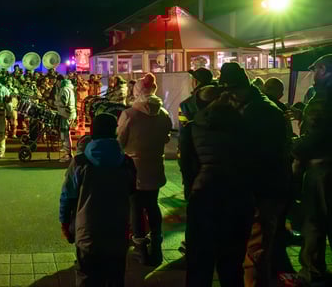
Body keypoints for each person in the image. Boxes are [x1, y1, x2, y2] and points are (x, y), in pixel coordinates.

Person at [218, 62, 292, 287]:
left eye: (230, 92)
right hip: (258, 188)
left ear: (236, 89)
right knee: (253, 251)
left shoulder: (259, 112)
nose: (228, 98)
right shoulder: (258, 107)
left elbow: (262, 156)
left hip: (260, 190)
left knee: (256, 251)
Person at [179, 86, 254, 287]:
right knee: (232, 262)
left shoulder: (194, 127)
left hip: (204, 193)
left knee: (199, 261)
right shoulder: (244, 125)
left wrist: (192, 190)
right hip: (238, 195)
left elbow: (187, 166)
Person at [59, 113, 136, 287]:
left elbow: (67, 197)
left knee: (87, 277)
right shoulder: (127, 163)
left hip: (88, 233)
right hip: (117, 232)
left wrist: (65, 224)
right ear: (114, 132)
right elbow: (132, 194)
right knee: (115, 278)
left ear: (93, 132)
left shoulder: (80, 162)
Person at [116, 72, 172, 266]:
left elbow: (120, 140)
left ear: (137, 91)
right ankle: (156, 246)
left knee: (136, 207)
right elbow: (166, 137)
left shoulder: (129, 114)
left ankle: (140, 247)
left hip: (134, 168)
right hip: (155, 165)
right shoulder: (163, 113)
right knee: (153, 205)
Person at [292, 54, 332, 285]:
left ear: (323, 70)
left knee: (314, 222)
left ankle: (312, 272)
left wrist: (292, 147)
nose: (313, 74)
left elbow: (316, 137)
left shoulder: (323, 98)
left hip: (321, 169)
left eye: (315, 70)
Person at [56, 77, 77, 162]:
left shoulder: (64, 89)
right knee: (66, 134)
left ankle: (68, 155)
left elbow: (63, 103)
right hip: (70, 113)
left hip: (65, 114)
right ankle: (68, 153)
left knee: (65, 135)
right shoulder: (69, 88)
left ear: (60, 81)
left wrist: (55, 103)